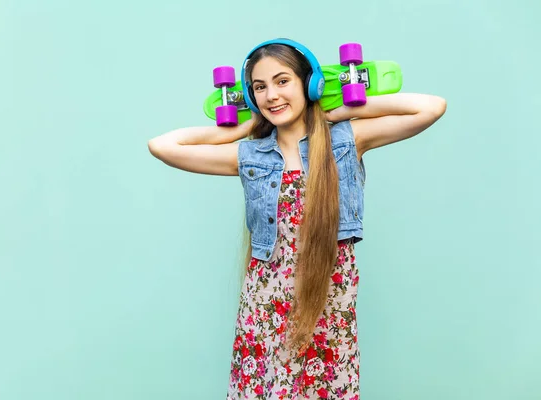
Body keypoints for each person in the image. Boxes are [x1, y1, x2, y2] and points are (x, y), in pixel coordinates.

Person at [148, 38, 446, 400]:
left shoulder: (344, 141)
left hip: (328, 304)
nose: (271, 95)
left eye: (282, 81)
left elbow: (430, 107)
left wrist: (338, 107)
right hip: (265, 310)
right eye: (259, 87)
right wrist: (238, 129)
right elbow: (162, 147)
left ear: (309, 83)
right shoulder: (250, 156)